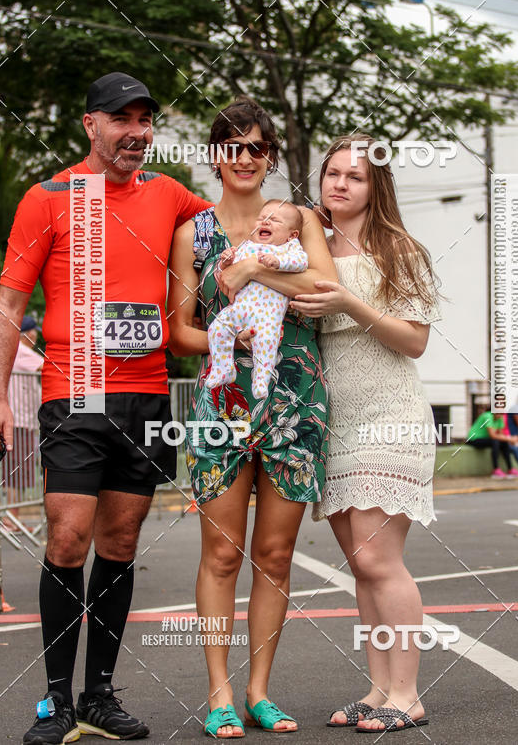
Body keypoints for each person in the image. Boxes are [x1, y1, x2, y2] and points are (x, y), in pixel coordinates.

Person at [0, 72, 211, 745]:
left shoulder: (170, 194)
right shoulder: (49, 197)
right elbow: (8, 306)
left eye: (146, 120)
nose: (137, 132)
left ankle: (99, 696)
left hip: (147, 393)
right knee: (67, 537)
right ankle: (57, 701)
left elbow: (232, 226)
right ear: (91, 125)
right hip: (73, 392)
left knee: (120, 543)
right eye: (123, 119)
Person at [168, 96, 336, 738]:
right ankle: (218, 694)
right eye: (232, 146)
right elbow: (179, 332)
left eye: (257, 147)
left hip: (296, 401)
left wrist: (253, 266)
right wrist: (226, 334)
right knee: (221, 553)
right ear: (216, 156)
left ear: (270, 157)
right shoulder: (194, 233)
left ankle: (260, 692)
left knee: (275, 552)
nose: (244, 158)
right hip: (225, 402)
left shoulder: (302, 222)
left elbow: (325, 294)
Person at [290, 134, 440, 734]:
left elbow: (415, 340)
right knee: (360, 563)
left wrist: (351, 304)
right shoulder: (311, 249)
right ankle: (379, 689)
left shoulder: (399, 249)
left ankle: (407, 691)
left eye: (355, 176)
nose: (340, 184)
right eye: (332, 173)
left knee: (381, 558)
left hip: (392, 416)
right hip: (337, 422)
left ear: (377, 187)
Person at [206, 200, 308, 399]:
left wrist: (279, 262)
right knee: (217, 329)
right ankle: (222, 368)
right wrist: (227, 260)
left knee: (266, 342)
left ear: (292, 235)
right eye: (262, 218)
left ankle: (261, 378)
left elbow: (301, 262)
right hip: (241, 307)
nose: (266, 222)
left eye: (275, 220)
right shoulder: (248, 246)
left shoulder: (289, 249)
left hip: (268, 314)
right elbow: (229, 273)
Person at [2, 316, 43, 526]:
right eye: (34, 331)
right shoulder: (21, 351)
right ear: (29, 333)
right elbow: (47, 368)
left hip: (22, 421)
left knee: (17, 471)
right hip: (19, 422)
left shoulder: (16, 351)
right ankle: (11, 518)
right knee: (15, 471)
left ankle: (13, 517)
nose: (36, 335)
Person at [467, 408, 518, 479]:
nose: (500, 415)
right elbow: (493, 435)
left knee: (504, 442)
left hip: (486, 439)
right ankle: (496, 469)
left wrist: (510, 439)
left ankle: (510, 469)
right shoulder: (487, 416)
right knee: (495, 441)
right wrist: (511, 438)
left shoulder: (500, 418)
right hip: (473, 439)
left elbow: (501, 435)